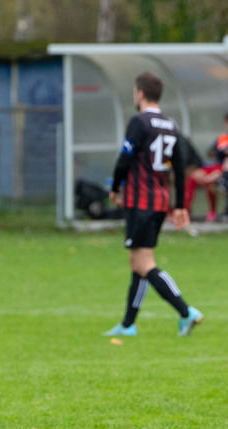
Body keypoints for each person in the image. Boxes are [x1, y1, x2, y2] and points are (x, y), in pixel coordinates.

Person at [103, 72, 202, 337]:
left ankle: (186, 311)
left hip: (140, 199)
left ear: (140, 94)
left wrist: (115, 187)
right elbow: (179, 168)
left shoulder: (139, 122)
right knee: (137, 261)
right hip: (160, 200)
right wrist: (180, 204)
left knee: (145, 263)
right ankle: (128, 324)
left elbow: (125, 158)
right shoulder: (170, 124)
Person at [179, 133, 221, 221]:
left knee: (209, 181)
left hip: (222, 170)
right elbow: (210, 153)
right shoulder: (221, 138)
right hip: (215, 167)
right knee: (191, 180)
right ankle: (185, 211)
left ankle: (213, 211)